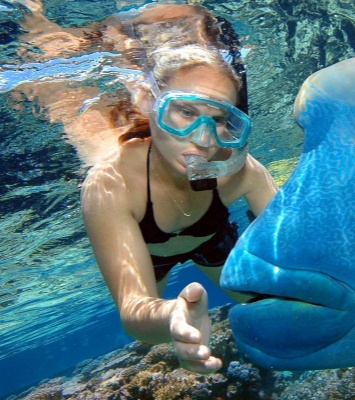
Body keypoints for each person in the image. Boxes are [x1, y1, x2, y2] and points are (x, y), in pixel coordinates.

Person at [78, 4, 278, 374]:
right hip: (152, 253)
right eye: (184, 112)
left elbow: (299, 242)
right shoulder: (112, 184)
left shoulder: (241, 171)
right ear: (148, 102)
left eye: (219, 119)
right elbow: (134, 310)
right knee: (149, 336)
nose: (202, 141)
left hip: (210, 236)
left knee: (263, 301)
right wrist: (172, 316)